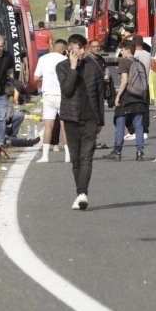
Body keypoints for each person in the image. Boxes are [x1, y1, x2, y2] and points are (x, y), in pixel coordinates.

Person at [57, 33, 105, 210]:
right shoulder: (61, 67)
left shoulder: (93, 66)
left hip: (90, 118)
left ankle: (83, 192)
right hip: (70, 119)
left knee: (87, 157)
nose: (83, 51)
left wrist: (101, 120)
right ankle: (80, 193)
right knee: (76, 160)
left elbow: (99, 95)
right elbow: (67, 90)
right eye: (80, 48)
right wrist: (73, 67)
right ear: (70, 49)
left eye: (84, 48)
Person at [103, 40, 147, 161]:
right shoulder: (139, 63)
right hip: (138, 98)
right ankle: (139, 152)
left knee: (120, 125)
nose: (121, 52)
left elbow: (124, 81)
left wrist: (117, 96)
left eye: (122, 50)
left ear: (127, 50)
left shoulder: (124, 63)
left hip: (126, 98)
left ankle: (117, 151)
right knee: (138, 127)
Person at [34, 38, 68, 162]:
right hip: (62, 95)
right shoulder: (65, 60)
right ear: (63, 49)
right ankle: (68, 155)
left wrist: (43, 79)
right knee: (65, 124)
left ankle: (45, 156)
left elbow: (35, 78)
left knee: (48, 125)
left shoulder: (43, 59)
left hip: (48, 95)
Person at [124, 35, 151, 140]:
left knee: (132, 108)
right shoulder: (148, 55)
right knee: (145, 109)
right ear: (143, 43)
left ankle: (133, 130)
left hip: (133, 86)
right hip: (145, 85)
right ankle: (144, 130)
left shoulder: (131, 56)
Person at [87, 39, 112, 149]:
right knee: (93, 119)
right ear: (89, 48)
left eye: (98, 46)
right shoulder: (87, 61)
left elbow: (105, 69)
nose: (97, 48)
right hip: (90, 95)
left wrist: (107, 75)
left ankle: (95, 139)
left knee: (100, 120)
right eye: (94, 47)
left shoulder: (101, 59)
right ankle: (91, 141)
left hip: (100, 94)